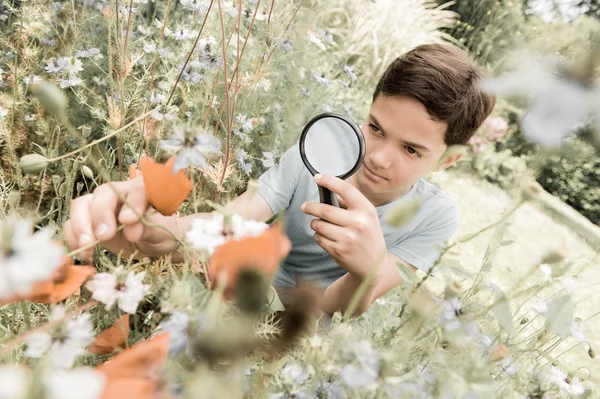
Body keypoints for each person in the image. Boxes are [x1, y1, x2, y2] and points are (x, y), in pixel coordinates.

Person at [63, 44, 496, 318]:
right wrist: (155, 231)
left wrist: (367, 273)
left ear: (448, 161)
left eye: (412, 150)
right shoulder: (326, 148)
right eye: (376, 127)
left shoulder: (435, 216)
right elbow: (232, 221)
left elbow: (335, 311)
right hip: (250, 278)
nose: (378, 157)